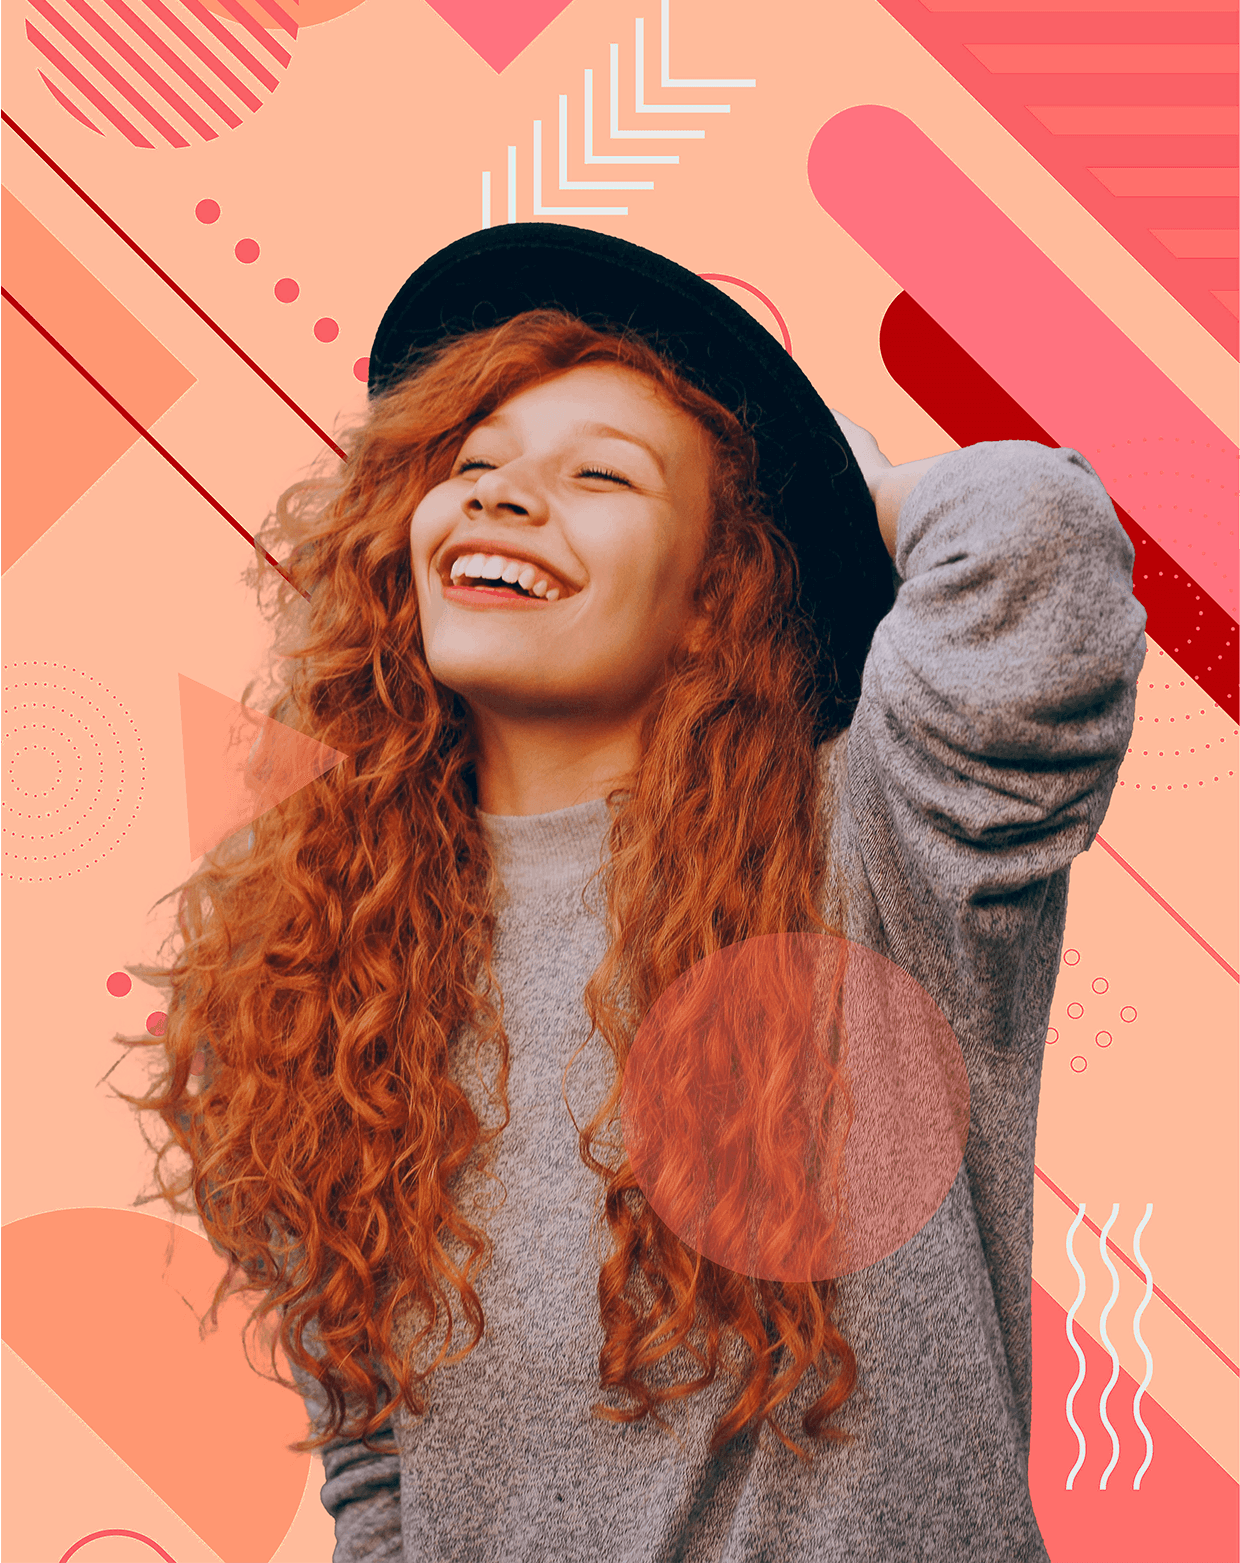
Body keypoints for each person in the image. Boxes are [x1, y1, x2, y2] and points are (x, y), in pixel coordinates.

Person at [118, 225, 1146, 1561]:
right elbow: (381, 1471)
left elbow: (1045, 544)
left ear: (720, 592)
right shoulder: (324, 978)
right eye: (468, 467)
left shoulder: (874, 846)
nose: (501, 497)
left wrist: (844, 496)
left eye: (601, 476)